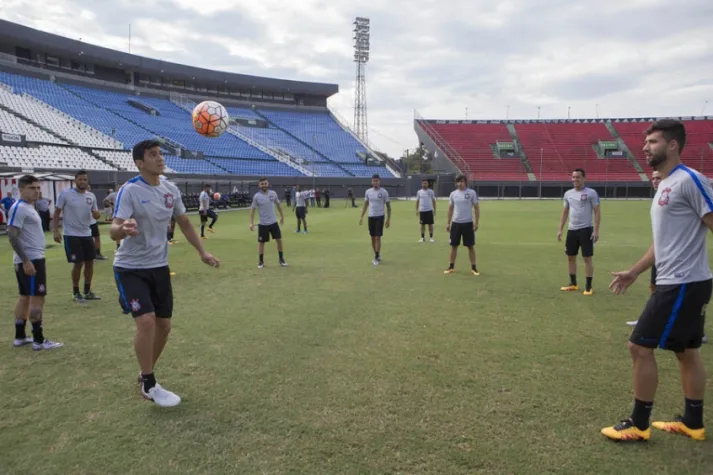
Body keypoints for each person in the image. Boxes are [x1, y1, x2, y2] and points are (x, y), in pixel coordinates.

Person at [602, 119, 712, 442]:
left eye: (653, 141)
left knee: (638, 346)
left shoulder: (689, 181)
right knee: (687, 351)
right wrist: (635, 271)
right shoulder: (664, 184)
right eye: (646, 141)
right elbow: (662, 243)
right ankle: (693, 423)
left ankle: (638, 423)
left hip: (682, 283)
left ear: (673, 145)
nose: (645, 147)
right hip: (680, 281)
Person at [111, 140, 220, 407]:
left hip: (159, 267)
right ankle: (149, 382)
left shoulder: (171, 190)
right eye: (152, 155)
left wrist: (202, 252)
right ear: (140, 162)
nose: (160, 159)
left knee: (164, 326)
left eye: (160, 154)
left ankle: (143, 373)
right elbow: (113, 229)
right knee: (146, 321)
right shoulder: (131, 190)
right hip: (130, 268)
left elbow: (184, 222)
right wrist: (123, 228)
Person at [8, 175, 63, 351]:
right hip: (31, 260)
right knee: (37, 299)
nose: (37, 191)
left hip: (32, 258)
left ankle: (20, 336)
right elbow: (12, 234)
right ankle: (39, 340)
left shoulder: (28, 207)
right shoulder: (19, 208)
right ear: (21, 190)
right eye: (32, 188)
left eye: (38, 188)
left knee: (24, 297)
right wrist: (26, 261)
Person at [52, 170, 101, 303]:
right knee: (78, 263)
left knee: (90, 262)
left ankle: (87, 291)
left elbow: (96, 214)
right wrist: (55, 230)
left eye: (85, 180)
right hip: (71, 235)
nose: (83, 182)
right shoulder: (65, 195)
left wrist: (97, 215)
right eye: (80, 179)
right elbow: (56, 213)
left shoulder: (91, 196)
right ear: (75, 180)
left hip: (86, 233)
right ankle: (76, 292)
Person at [557, 169, 601, 295]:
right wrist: (560, 229)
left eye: (578, 177)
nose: (575, 179)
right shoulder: (568, 194)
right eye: (573, 177)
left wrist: (596, 231)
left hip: (586, 229)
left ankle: (588, 286)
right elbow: (565, 212)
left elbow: (597, 212)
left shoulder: (591, 193)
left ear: (584, 178)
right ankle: (573, 284)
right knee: (570, 257)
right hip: (572, 230)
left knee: (587, 258)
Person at [444, 175, 480, 275]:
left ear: (465, 182)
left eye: (462, 181)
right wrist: (448, 223)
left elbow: (476, 208)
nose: (460, 184)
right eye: (458, 182)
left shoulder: (471, 193)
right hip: (456, 224)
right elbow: (450, 209)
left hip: (468, 223)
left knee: (470, 246)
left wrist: (476, 222)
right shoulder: (453, 194)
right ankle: (451, 267)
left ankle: (474, 268)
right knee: (453, 246)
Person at [249, 177, 287, 269]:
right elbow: (252, 210)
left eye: (265, 183)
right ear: (259, 185)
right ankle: (261, 261)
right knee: (261, 242)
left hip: (274, 222)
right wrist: (251, 223)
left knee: (279, 240)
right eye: (262, 184)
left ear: (268, 184)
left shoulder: (273, 194)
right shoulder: (257, 196)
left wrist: (282, 216)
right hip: (263, 224)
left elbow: (278, 205)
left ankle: (281, 259)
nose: (264, 185)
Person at [359, 174, 391, 266]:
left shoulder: (384, 192)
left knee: (377, 237)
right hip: (371, 217)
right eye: (373, 181)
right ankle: (377, 254)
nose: (375, 182)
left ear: (379, 181)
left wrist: (388, 219)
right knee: (372, 237)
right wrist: (361, 216)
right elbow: (365, 204)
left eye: (376, 181)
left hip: (380, 216)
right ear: (371, 181)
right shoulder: (368, 192)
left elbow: (388, 207)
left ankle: (376, 257)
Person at [87, 185, 107, 261]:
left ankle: (97, 254)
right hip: (85, 223)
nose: (88, 189)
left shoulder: (92, 196)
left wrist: (96, 213)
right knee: (89, 240)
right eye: (87, 188)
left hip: (93, 222)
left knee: (97, 237)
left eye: (89, 188)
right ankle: (90, 255)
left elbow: (96, 210)